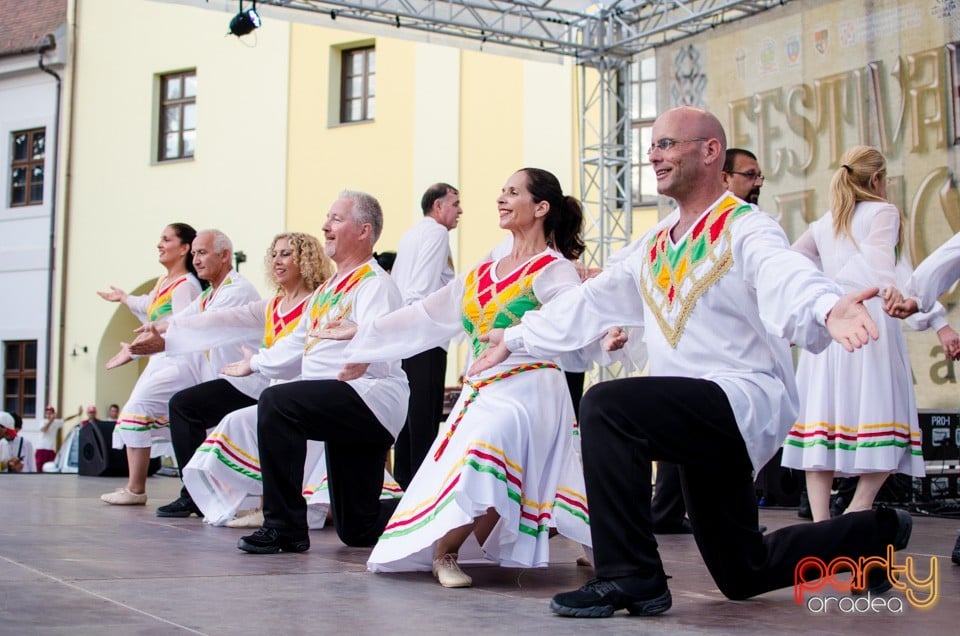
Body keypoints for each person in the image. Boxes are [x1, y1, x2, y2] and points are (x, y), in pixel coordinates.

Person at [469, 107, 912, 617]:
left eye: (668, 144)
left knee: (607, 406)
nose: (655, 155)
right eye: (653, 146)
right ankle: (876, 531)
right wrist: (517, 336)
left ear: (709, 151)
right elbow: (591, 301)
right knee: (742, 572)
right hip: (691, 416)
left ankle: (631, 575)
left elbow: (785, 272)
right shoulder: (654, 243)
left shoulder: (744, 226)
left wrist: (827, 306)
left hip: (741, 397)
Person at [327, 168, 622, 589]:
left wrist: (606, 332)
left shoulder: (553, 269)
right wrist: (365, 333)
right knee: (536, 475)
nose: (501, 199)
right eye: (501, 191)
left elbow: (573, 317)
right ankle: (596, 547)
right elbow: (428, 313)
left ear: (541, 208)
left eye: (513, 193)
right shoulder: (484, 268)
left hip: (531, 387)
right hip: (481, 390)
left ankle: (445, 552)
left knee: (492, 449)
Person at [220, 190, 409, 554]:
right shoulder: (327, 290)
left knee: (277, 402)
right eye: (327, 218)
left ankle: (284, 527)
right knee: (359, 529)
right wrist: (255, 362)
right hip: (338, 399)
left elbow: (384, 334)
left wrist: (363, 352)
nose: (325, 225)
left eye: (336, 219)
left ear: (364, 231)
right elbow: (296, 344)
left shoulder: (375, 284)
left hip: (367, 395)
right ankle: (429, 511)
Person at [780, 147, 928, 522]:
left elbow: (792, 264)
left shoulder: (823, 224)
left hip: (831, 322)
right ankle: (858, 507)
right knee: (883, 412)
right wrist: (888, 288)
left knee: (823, 418)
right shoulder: (884, 211)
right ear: (878, 180)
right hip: (868, 320)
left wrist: (810, 303)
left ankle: (819, 523)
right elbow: (879, 260)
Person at [147, 232, 333, 521]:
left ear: (305, 260)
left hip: (303, 393)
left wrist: (256, 363)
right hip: (273, 389)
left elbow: (298, 349)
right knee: (240, 420)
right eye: (274, 255)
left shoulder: (316, 302)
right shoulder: (273, 305)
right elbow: (222, 319)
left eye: (286, 254)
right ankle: (245, 503)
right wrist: (163, 332)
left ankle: (273, 507)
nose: (277, 261)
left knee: (249, 421)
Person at [99, 227, 261, 506]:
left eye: (203, 253)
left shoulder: (236, 290)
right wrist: (139, 344)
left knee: (183, 406)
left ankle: (193, 494)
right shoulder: (209, 293)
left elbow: (203, 327)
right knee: (185, 409)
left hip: (249, 381)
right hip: (225, 378)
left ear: (224, 256)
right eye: (196, 253)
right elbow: (177, 319)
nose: (197, 260)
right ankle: (196, 493)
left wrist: (155, 343)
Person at [388, 183, 462, 489]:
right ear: (438, 205)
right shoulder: (436, 233)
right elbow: (422, 287)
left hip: (406, 336)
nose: (460, 211)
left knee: (410, 414)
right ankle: (421, 488)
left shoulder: (411, 234)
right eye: (455, 204)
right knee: (425, 415)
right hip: (424, 335)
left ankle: (405, 481)